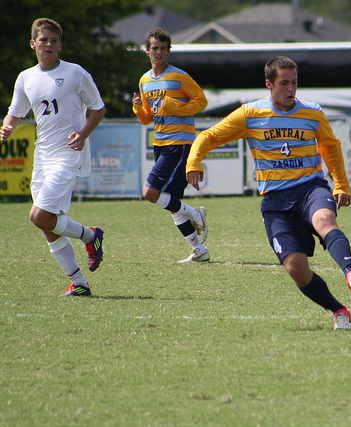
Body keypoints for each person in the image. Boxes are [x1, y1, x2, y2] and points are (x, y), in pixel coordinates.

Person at [186, 56, 351, 330]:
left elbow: (330, 147)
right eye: (284, 83)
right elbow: (208, 136)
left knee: (324, 220)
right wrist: (194, 162)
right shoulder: (250, 114)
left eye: (294, 82)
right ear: (269, 84)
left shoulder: (312, 113)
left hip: (310, 188)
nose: (291, 89)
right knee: (296, 268)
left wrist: (341, 184)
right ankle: (338, 309)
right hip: (275, 201)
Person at [1, 18, 106, 296]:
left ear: (60, 45)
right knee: (49, 224)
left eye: (53, 40)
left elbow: (98, 108)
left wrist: (83, 133)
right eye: (43, 39)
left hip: (68, 154)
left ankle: (90, 235)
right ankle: (79, 283)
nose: (48, 44)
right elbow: (15, 112)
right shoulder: (25, 77)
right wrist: (7, 127)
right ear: (32, 43)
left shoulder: (75, 73)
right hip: (42, 157)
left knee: (38, 216)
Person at [132, 27, 209, 263]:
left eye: (163, 49)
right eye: (154, 48)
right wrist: (138, 108)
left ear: (168, 51)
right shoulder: (144, 80)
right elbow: (148, 118)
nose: (158, 52)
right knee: (172, 201)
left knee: (150, 193)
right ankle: (199, 250)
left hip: (179, 143)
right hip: (160, 143)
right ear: (147, 50)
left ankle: (195, 214)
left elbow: (202, 101)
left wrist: (177, 107)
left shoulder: (179, 76)